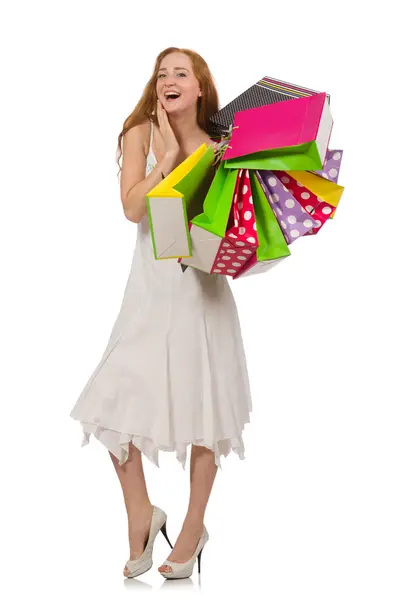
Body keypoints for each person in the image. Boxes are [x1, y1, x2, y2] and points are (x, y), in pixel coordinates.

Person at [69, 46, 252, 580]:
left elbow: (234, 223)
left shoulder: (224, 145)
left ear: (200, 88)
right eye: (162, 73)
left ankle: (193, 529)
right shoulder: (141, 135)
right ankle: (143, 514)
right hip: (149, 294)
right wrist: (169, 158)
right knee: (109, 403)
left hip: (202, 290)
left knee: (205, 412)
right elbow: (131, 208)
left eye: (181, 73)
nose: (169, 80)